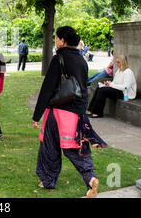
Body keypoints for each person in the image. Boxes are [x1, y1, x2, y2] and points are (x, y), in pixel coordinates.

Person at [32, 26, 106, 198]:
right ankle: (90, 178)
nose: (56, 41)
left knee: (49, 146)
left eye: (57, 38)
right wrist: (81, 111)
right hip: (76, 112)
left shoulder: (59, 59)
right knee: (75, 147)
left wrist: (37, 115)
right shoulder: (82, 60)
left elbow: (47, 89)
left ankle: (48, 180)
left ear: (63, 40)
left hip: (58, 110)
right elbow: (83, 87)